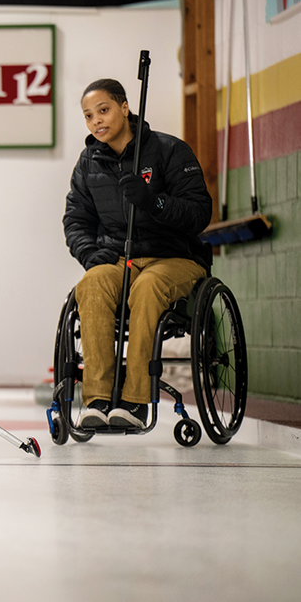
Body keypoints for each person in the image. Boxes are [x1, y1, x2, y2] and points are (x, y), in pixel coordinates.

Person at [63, 78, 212, 430]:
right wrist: (88, 253)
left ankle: (135, 400)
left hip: (174, 257)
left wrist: (153, 201)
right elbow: (76, 219)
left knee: (147, 288)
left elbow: (198, 214)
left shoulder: (169, 150)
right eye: (88, 116)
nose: (96, 121)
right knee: (92, 284)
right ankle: (98, 400)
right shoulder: (89, 163)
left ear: (124, 107)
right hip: (119, 258)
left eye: (103, 110)